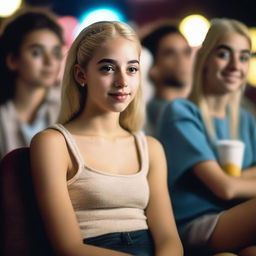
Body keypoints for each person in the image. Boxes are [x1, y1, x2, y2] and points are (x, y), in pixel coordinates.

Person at [30, 21, 183, 256]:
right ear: (81, 74)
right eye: (108, 68)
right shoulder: (53, 144)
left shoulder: (151, 148)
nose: (122, 81)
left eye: (132, 69)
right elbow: (68, 248)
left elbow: (169, 240)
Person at [157, 18, 256, 256]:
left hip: (237, 220)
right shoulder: (180, 111)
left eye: (244, 57)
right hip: (194, 225)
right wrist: (236, 179)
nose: (235, 65)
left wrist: (235, 178)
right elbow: (225, 189)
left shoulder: (246, 119)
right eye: (224, 54)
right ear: (205, 59)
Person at [0, 8, 64, 159]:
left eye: (56, 53)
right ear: (12, 60)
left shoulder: (70, 107)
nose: (50, 62)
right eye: (37, 52)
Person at [141, 24, 193, 136]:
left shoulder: (191, 109)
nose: (182, 60)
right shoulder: (156, 113)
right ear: (151, 66)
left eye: (186, 52)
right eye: (170, 53)